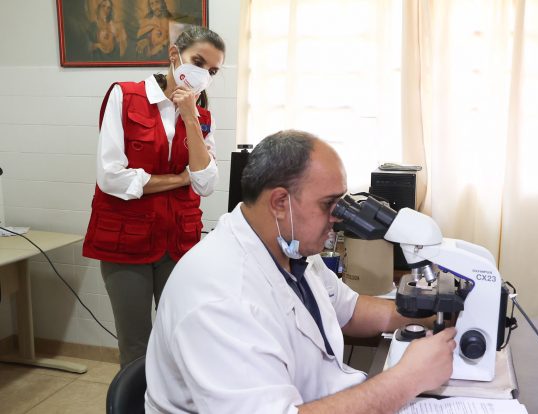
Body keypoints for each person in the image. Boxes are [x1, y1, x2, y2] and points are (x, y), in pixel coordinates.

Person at [145, 130, 457, 413]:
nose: (339, 216)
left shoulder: (290, 246)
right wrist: (406, 379)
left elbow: (349, 310)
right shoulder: (221, 298)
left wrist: (432, 315)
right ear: (280, 202)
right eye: (329, 204)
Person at [82, 27, 226, 368]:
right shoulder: (125, 96)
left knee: (181, 340)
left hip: (178, 242)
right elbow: (111, 177)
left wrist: (190, 117)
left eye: (212, 71)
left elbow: (205, 183)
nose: (203, 74)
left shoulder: (203, 117)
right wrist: (179, 178)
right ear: (174, 55)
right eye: (198, 62)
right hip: (125, 242)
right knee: (136, 348)